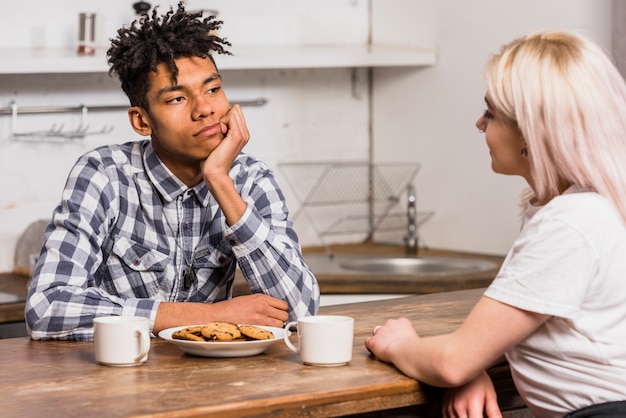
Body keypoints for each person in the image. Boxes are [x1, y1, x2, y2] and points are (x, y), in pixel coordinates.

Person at [365, 31, 626, 418]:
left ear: (531, 135)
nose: (479, 124)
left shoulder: (571, 222)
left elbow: (453, 361)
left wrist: (399, 343)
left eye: (491, 113)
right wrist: (471, 361)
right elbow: (503, 331)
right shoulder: (591, 207)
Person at [25, 3, 320, 341]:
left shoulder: (250, 179)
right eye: (178, 99)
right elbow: (47, 306)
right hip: (120, 382)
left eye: (212, 89)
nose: (205, 109)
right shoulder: (104, 176)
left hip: (217, 384)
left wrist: (221, 182)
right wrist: (210, 316)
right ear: (142, 120)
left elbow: (302, 312)